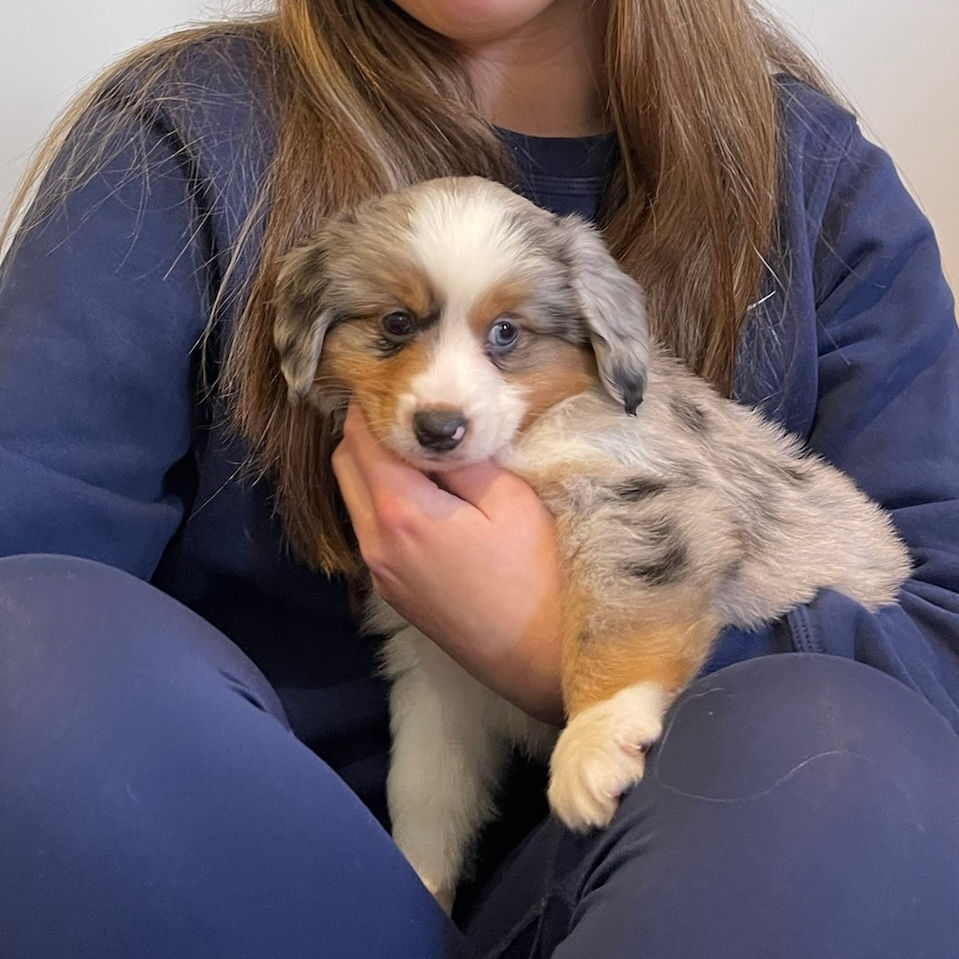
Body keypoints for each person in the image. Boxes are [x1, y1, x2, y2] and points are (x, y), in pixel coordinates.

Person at [1, 1, 958, 955]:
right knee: (25, 649)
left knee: (842, 746)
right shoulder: (179, 134)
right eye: (393, 328)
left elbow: (934, 650)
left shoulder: (816, 183)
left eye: (507, 335)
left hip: (685, 871)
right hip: (246, 885)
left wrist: (546, 645)